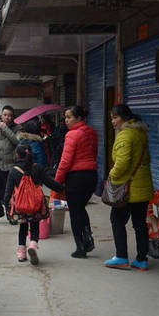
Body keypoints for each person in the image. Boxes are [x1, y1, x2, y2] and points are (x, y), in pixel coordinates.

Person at [104, 104, 154, 271]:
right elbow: (146, 159)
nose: (113, 121)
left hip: (128, 189)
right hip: (142, 186)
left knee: (117, 220)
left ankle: (121, 256)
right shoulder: (140, 133)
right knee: (139, 223)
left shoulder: (125, 135)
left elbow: (122, 163)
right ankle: (141, 259)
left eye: (115, 117)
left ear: (125, 117)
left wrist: (111, 175)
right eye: (111, 118)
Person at [3, 144, 63, 264]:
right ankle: (33, 245)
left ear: (17, 155)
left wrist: (7, 207)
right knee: (34, 225)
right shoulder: (38, 168)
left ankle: (21, 253)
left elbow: (8, 192)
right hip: (36, 204)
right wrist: (62, 188)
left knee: (23, 227)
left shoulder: (14, 171)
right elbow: (50, 182)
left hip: (21, 205)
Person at [54, 106, 98, 258]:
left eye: (69, 117)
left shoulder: (72, 134)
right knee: (80, 209)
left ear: (79, 118)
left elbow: (65, 161)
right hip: (91, 176)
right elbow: (94, 153)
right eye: (65, 117)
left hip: (76, 178)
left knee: (75, 212)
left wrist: (57, 181)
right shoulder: (91, 132)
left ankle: (80, 247)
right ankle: (88, 239)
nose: (66, 120)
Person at [0, 105, 19, 223]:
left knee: (9, 193)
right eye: (5, 115)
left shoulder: (17, 128)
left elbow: (17, 141)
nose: (7, 117)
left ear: (13, 117)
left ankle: (10, 214)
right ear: (1, 115)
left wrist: (6, 129)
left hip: (10, 166)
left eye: (10, 115)